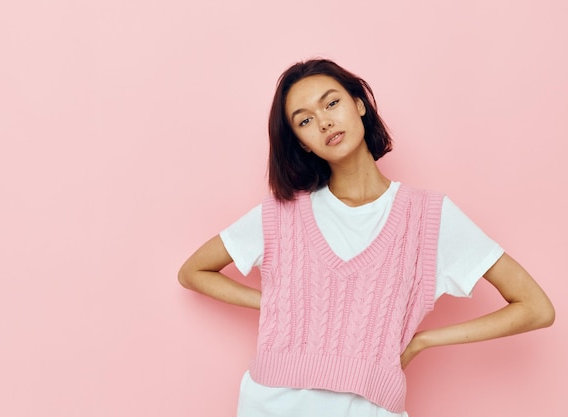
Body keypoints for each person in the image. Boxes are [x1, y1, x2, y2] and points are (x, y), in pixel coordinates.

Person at [178, 59, 555, 417]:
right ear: (303, 143)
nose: (324, 122)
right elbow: (193, 272)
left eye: (332, 103)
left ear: (359, 105)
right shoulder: (282, 213)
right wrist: (275, 301)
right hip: (271, 404)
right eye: (306, 120)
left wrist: (425, 340)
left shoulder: (428, 217)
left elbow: (536, 308)